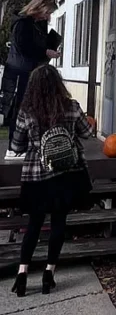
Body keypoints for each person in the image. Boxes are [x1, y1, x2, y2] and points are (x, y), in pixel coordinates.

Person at [8, 64, 94, 297]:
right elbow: (87, 134)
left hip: (36, 176)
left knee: (34, 224)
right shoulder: (71, 107)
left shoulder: (27, 111)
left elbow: (16, 145)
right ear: (58, 84)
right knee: (58, 223)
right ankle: (49, 273)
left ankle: (22, 274)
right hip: (66, 175)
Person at [0, 0, 61, 154]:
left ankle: (21, 145)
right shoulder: (22, 24)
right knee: (19, 110)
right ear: (39, 8)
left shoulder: (34, 24)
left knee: (28, 109)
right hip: (18, 73)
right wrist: (46, 51)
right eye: (47, 13)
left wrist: (50, 46)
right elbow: (24, 48)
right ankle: (14, 147)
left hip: (27, 71)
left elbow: (35, 46)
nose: (48, 17)